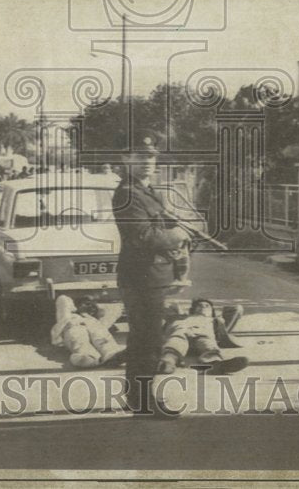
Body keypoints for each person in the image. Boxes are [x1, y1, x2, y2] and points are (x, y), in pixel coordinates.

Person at [112, 140, 190, 415]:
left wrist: (174, 225)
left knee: (146, 338)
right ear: (126, 159)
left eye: (151, 157)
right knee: (147, 341)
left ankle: (137, 397)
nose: (147, 162)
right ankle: (143, 401)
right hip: (140, 276)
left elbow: (158, 223)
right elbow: (141, 236)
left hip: (154, 275)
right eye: (140, 156)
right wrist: (176, 235)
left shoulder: (148, 192)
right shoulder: (127, 194)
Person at [158, 298, 248, 375]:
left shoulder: (216, 321)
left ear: (212, 311)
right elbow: (165, 306)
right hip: (180, 334)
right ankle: (167, 363)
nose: (203, 307)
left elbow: (236, 309)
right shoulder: (178, 316)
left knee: (209, 345)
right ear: (193, 309)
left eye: (207, 306)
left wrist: (217, 315)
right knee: (176, 341)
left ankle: (215, 365)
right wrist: (178, 309)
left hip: (202, 337)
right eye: (200, 305)